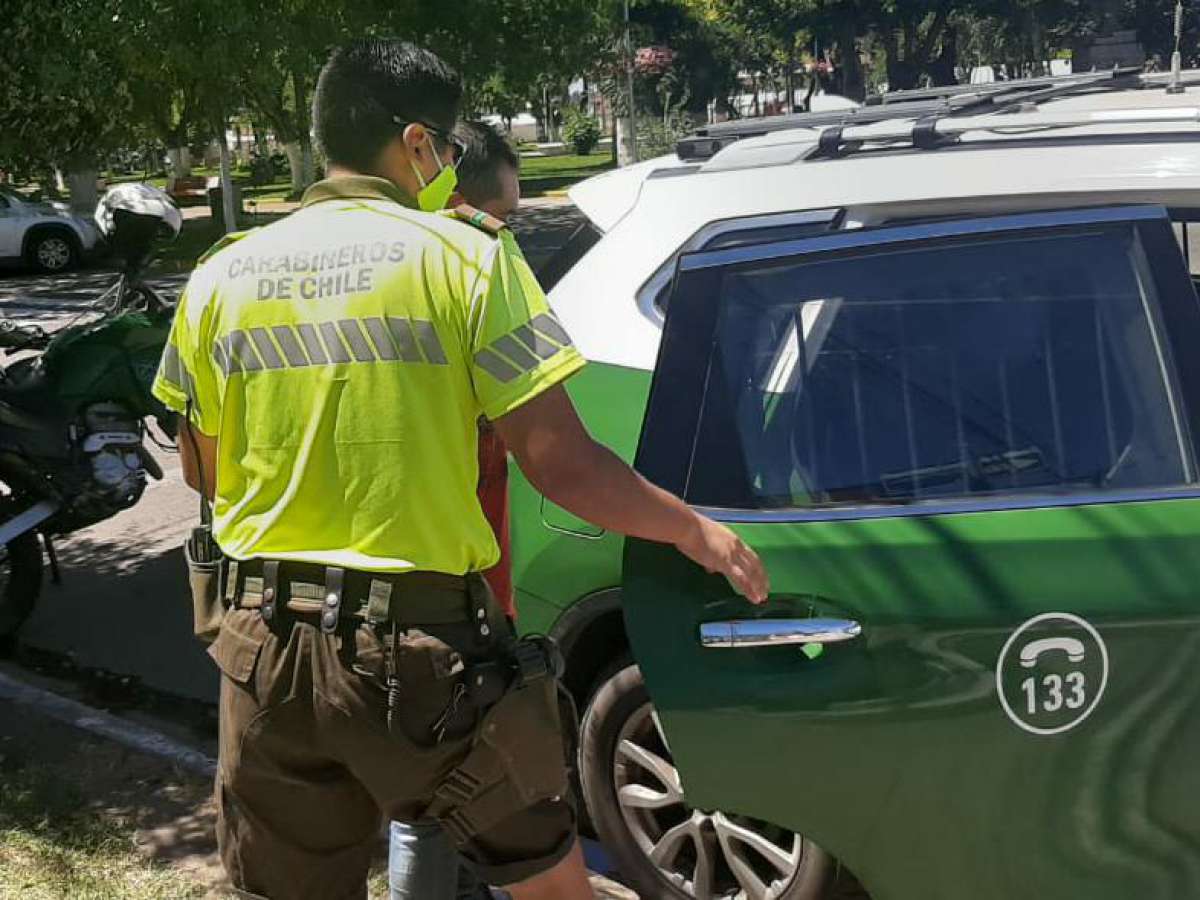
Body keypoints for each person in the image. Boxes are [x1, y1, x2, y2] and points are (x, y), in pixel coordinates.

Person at [154, 39, 766, 900]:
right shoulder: (468, 260)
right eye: (443, 146)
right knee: (545, 884)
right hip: (419, 653)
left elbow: (204, 475)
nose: (445, 163)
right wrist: (695, 529)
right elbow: (566, 467)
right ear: (414, 144)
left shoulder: (219, 275)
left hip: (262, 650)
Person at [389, 120, 522, 900]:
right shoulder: (477, 252)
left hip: (366, 580)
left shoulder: (376, 251)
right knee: (459, 798)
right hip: (465, 580)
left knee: (416, 798)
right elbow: (538, 427)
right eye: (509, 208)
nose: (513, 223)